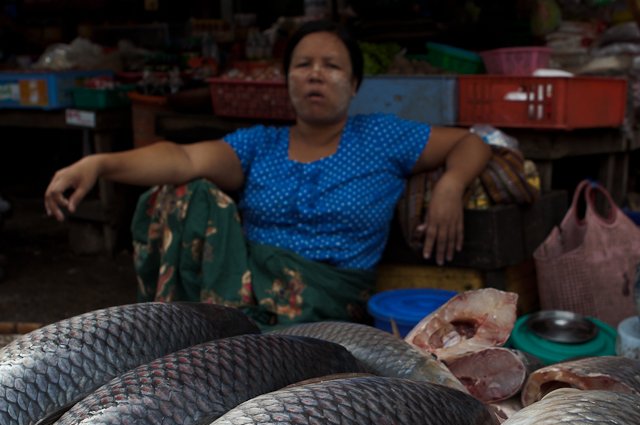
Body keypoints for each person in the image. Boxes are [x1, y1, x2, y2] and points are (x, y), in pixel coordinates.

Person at [44, 20, 491, 327]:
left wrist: (451, 185)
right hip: (243, 287)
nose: (316, 74)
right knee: (185, 193)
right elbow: (182, 158)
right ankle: (176, 326)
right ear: (287, 81)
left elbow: (471, 142)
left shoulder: (381, 137)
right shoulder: (260, 144)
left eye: (332, 66)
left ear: (354, 85)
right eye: (303, 65)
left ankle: (211, 333)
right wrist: (99, 164)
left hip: (330, 297)